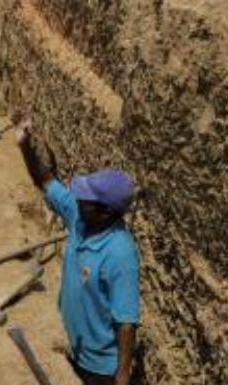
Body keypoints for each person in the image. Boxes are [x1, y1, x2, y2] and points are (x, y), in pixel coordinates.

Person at [14, 115, 141, 385]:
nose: (79, 200)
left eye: (87, 199)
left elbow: (126, 322)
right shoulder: (79, 216)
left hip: (100, 369)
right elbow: (45, 181)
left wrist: (122, 375)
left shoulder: (120, 254)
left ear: (106, 211)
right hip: (74, 346)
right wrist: (25, 146)